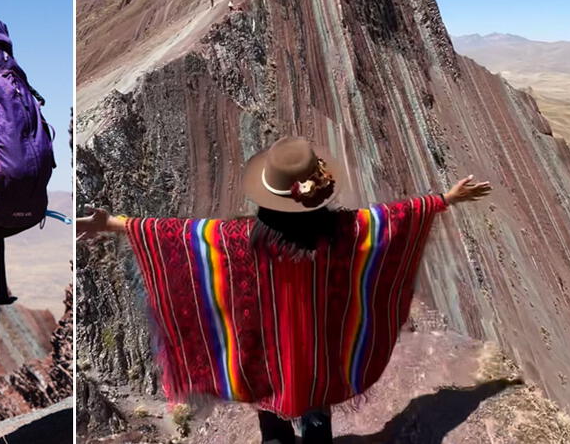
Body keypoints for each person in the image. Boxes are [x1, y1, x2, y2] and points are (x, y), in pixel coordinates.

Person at [77, 136, 490, 443]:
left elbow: (175, 235)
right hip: (318, 359)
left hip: (263, 358)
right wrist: (445, 198)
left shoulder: (237, 238)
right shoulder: (347, 231)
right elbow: (395, 218)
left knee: (272, 426)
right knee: (316, 421)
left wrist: (111, 223)